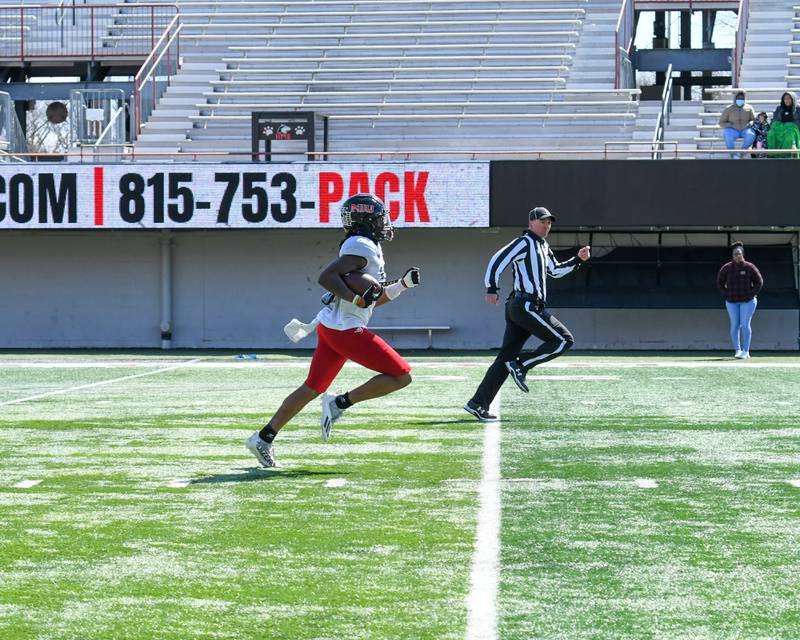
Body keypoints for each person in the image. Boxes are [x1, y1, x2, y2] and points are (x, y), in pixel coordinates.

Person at [246, 193, 421, 467]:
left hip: (333, 327)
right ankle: (339, 403)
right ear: (365, 221)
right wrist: (356, 298)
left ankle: (263, 438)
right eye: (378, 218)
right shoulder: (360, 244)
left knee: (311, 387)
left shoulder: (367, 246)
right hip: (345, 329)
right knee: (401, 376)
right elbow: (327, 277)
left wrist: (403, 286)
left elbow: (375, 298)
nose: (383, 223)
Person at [464, 206, 590, 421]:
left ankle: (477, 404)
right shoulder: (524, 242)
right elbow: (497, 259)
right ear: (531, 223)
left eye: (549, 222)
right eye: (542, 221)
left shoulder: (542, 246)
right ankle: (521, 365)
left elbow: (555, 271)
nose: (546, 225)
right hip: (525, 306)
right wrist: (491, 288)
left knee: (505, 358)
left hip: (524, 306)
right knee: (563, 340)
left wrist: (578, 259)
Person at [716, 241, 763, 359]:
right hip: (731, 301)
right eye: (735, 254)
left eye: (739, 253)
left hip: (748, 301)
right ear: (732, 255)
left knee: (745, 324)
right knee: (734, 325)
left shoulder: (750, 267)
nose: (737, 255)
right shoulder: (726, 268)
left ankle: (746, 351)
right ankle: (737, 350)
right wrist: (726, 294)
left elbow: (759, 282)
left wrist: (751, 294)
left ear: (743, 254)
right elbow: (720, 283)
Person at [719, 91, 756, 159]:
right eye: (738, 98)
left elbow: (754, 119)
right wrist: (730, 125)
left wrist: (750, 123)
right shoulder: (729, 108)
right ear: (735, 98)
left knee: (751, 134)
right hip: (733, 130)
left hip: (745, 129)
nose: (740, 100)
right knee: (727, 134)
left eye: (742, 98)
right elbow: (721, 123)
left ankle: (741, 153)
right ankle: (733, 156)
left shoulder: (749, 108)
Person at [767, 91, 800, 158]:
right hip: (781, 128)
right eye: (785, 99)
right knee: (771, 133)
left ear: (793, 99)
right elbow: (775, 120)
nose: (787, 100)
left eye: (789, 98)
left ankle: (787, 154)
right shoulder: (779, 108)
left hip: (793, 128)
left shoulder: (798, 108)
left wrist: (789, 125)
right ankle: (773, 155)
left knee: (789, 134)